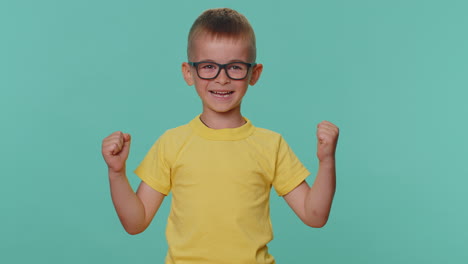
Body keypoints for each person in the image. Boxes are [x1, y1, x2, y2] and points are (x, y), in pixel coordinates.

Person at [101, 8, 339, 264]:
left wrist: (326, 162)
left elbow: (314, 217)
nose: (222, 78)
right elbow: (136, 222)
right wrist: (116, 173)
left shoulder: (272, 145)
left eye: (235, 67)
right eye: (208, 66)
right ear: (188, 72)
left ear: (254, 73)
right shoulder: (171, 143)